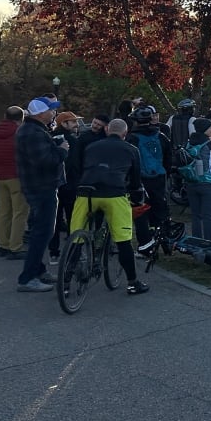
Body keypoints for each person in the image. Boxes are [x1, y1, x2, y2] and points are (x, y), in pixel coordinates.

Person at [70, 118, 150, 295]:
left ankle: (66, 282)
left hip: (86, 192)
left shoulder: (91, 147)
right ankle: (132, 282)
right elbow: (135, 180)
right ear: (125, 134)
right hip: (114, 194)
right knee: (123, 240)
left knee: (76, 237)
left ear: (107, 130)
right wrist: (136, 197)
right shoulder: (131, 149)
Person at [14, 96, 69, 292]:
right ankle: (27, 278)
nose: (54, 113)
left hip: (38, 186)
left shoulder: (32, 130)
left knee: (41, 230)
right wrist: (62, 150)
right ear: (40, 113)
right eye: (51, 110)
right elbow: (46, 161)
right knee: (43, 233)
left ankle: (38, 270)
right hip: (41, 187)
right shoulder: (33, 133)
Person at [127, 106, 172, 256]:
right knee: (160, 210)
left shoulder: (132, 138)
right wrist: (165, 172)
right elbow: (168, 158)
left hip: (140, 179)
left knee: (140, 212)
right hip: (159, 177)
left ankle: (145, 246)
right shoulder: (161, 136)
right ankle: (165, 243)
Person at [0, 106, 29, 259]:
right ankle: (15, 247)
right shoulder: (20, 133)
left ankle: (2, 244)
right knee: (19, 213)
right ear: (21, 118)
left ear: (5, 116)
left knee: (4, 212)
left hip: (1, 177)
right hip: (17, 177)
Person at [183, 117, 211, 241]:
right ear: (204, 129)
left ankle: (197, 241)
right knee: (208, 216)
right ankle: (208, 242)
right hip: (209, 183)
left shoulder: (189, 143)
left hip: (191, 182)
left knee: (196, 215)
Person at [49, 110, 83, 262]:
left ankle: (53, 253)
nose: (77, 124)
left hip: (53, 184)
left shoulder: (50, 137)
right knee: (72, 219)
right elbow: (75, 164)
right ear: (63, 123)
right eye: (73, 122)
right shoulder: (72, 141)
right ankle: (73, 253)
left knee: (54, 220)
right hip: (70, 184)